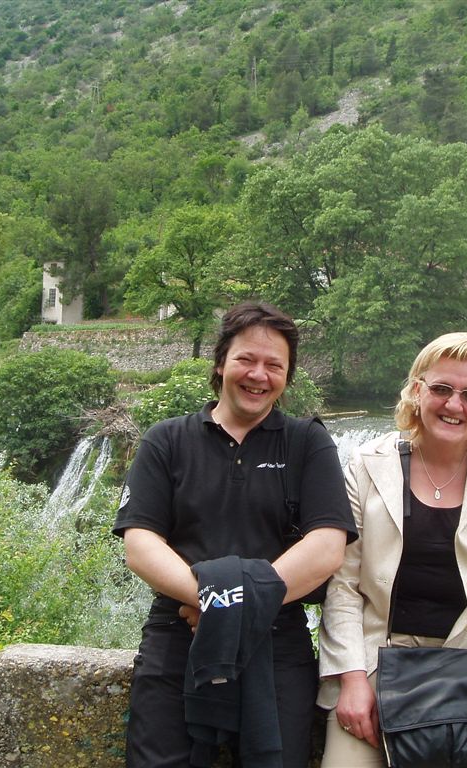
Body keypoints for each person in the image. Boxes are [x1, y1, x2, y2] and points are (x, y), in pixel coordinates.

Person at [113, 301, 356, 768]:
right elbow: (141, 546)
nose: (259, 375)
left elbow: (326, 547)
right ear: (221, 361)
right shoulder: (166, 440)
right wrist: (218, 605)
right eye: (246, 359)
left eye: (274, 365)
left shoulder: (308, 443)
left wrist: (229, 607)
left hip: (275, 639)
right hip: (178, 633)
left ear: (288, 376)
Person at [317, 332, 467, 766]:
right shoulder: (367, 465)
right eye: (442, 389)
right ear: (416, 390)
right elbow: (343, 585)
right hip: (376, 664)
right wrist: (351, 679)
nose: (454, 405)